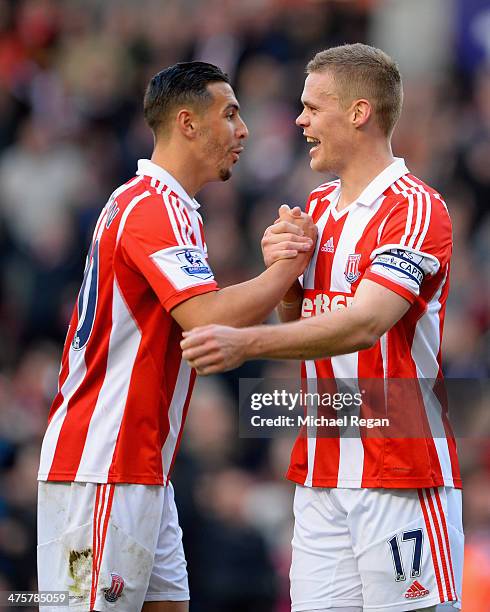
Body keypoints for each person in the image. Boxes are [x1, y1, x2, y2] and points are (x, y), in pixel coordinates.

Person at [181, 45, 464, 612]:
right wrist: (285, 283)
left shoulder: (414, 209)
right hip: (321, 468)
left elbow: (364, 324)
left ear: (359, 113)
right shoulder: (316, 208)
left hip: (400, 468)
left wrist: (247, 341)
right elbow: (306, 326)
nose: (299, 121)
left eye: (312, 107)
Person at [36, 61, 316, 612]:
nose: (244, 130)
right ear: (187, 123)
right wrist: (286, 268)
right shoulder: (152, 207)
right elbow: (206, 316)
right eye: (230, 114)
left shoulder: (160, 204)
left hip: (139, 466)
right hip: (102, 467)